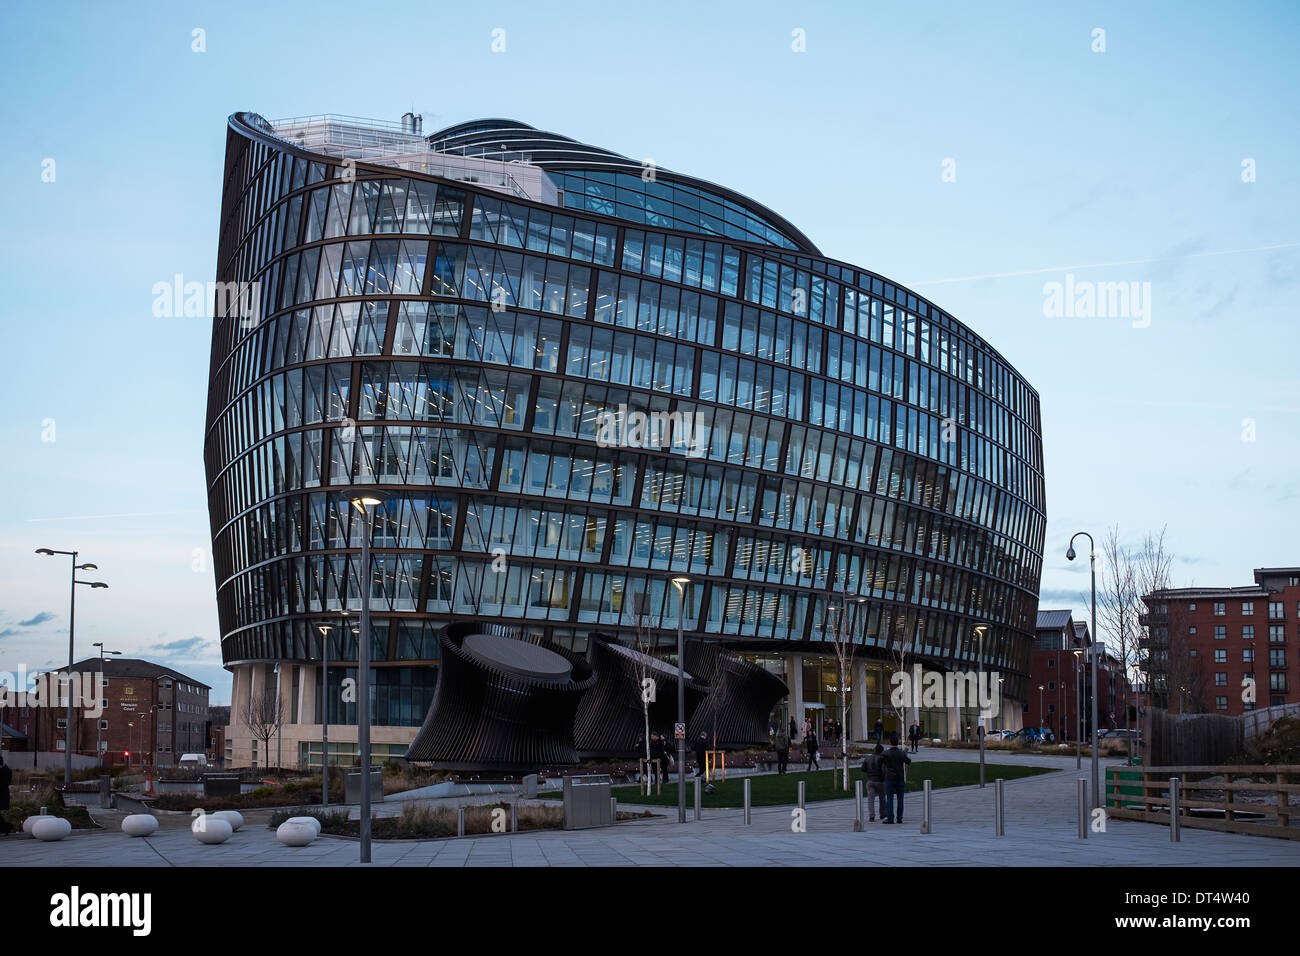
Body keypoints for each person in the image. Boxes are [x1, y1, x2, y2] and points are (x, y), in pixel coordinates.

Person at [881, 734, 911, 824]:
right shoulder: (901, 753)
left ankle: (890, 818)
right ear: (898, 743)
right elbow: (908, 761)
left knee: (889, 798)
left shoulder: (886, 753)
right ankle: (899, 818)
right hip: (900, 777)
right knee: (900, 799)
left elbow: (880, 761)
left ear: (890, 742)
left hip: (889, 777)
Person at [861, 744, 886, 822]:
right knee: (882, 798)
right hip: (880, 781)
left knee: (870, 799)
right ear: (882, 751)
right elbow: (884, 770)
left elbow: (863, 769)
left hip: (870, 780)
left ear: (874, 750)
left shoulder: (868, 758)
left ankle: (871, 816)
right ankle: (882, 814)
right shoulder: (882, 758)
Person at [0, 755, 11, 835]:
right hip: (3, 795)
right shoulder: (7, 770)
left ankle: (6, 827)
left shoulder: (4, 771)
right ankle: (6, 828)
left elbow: (4, 783)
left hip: (2, 795)